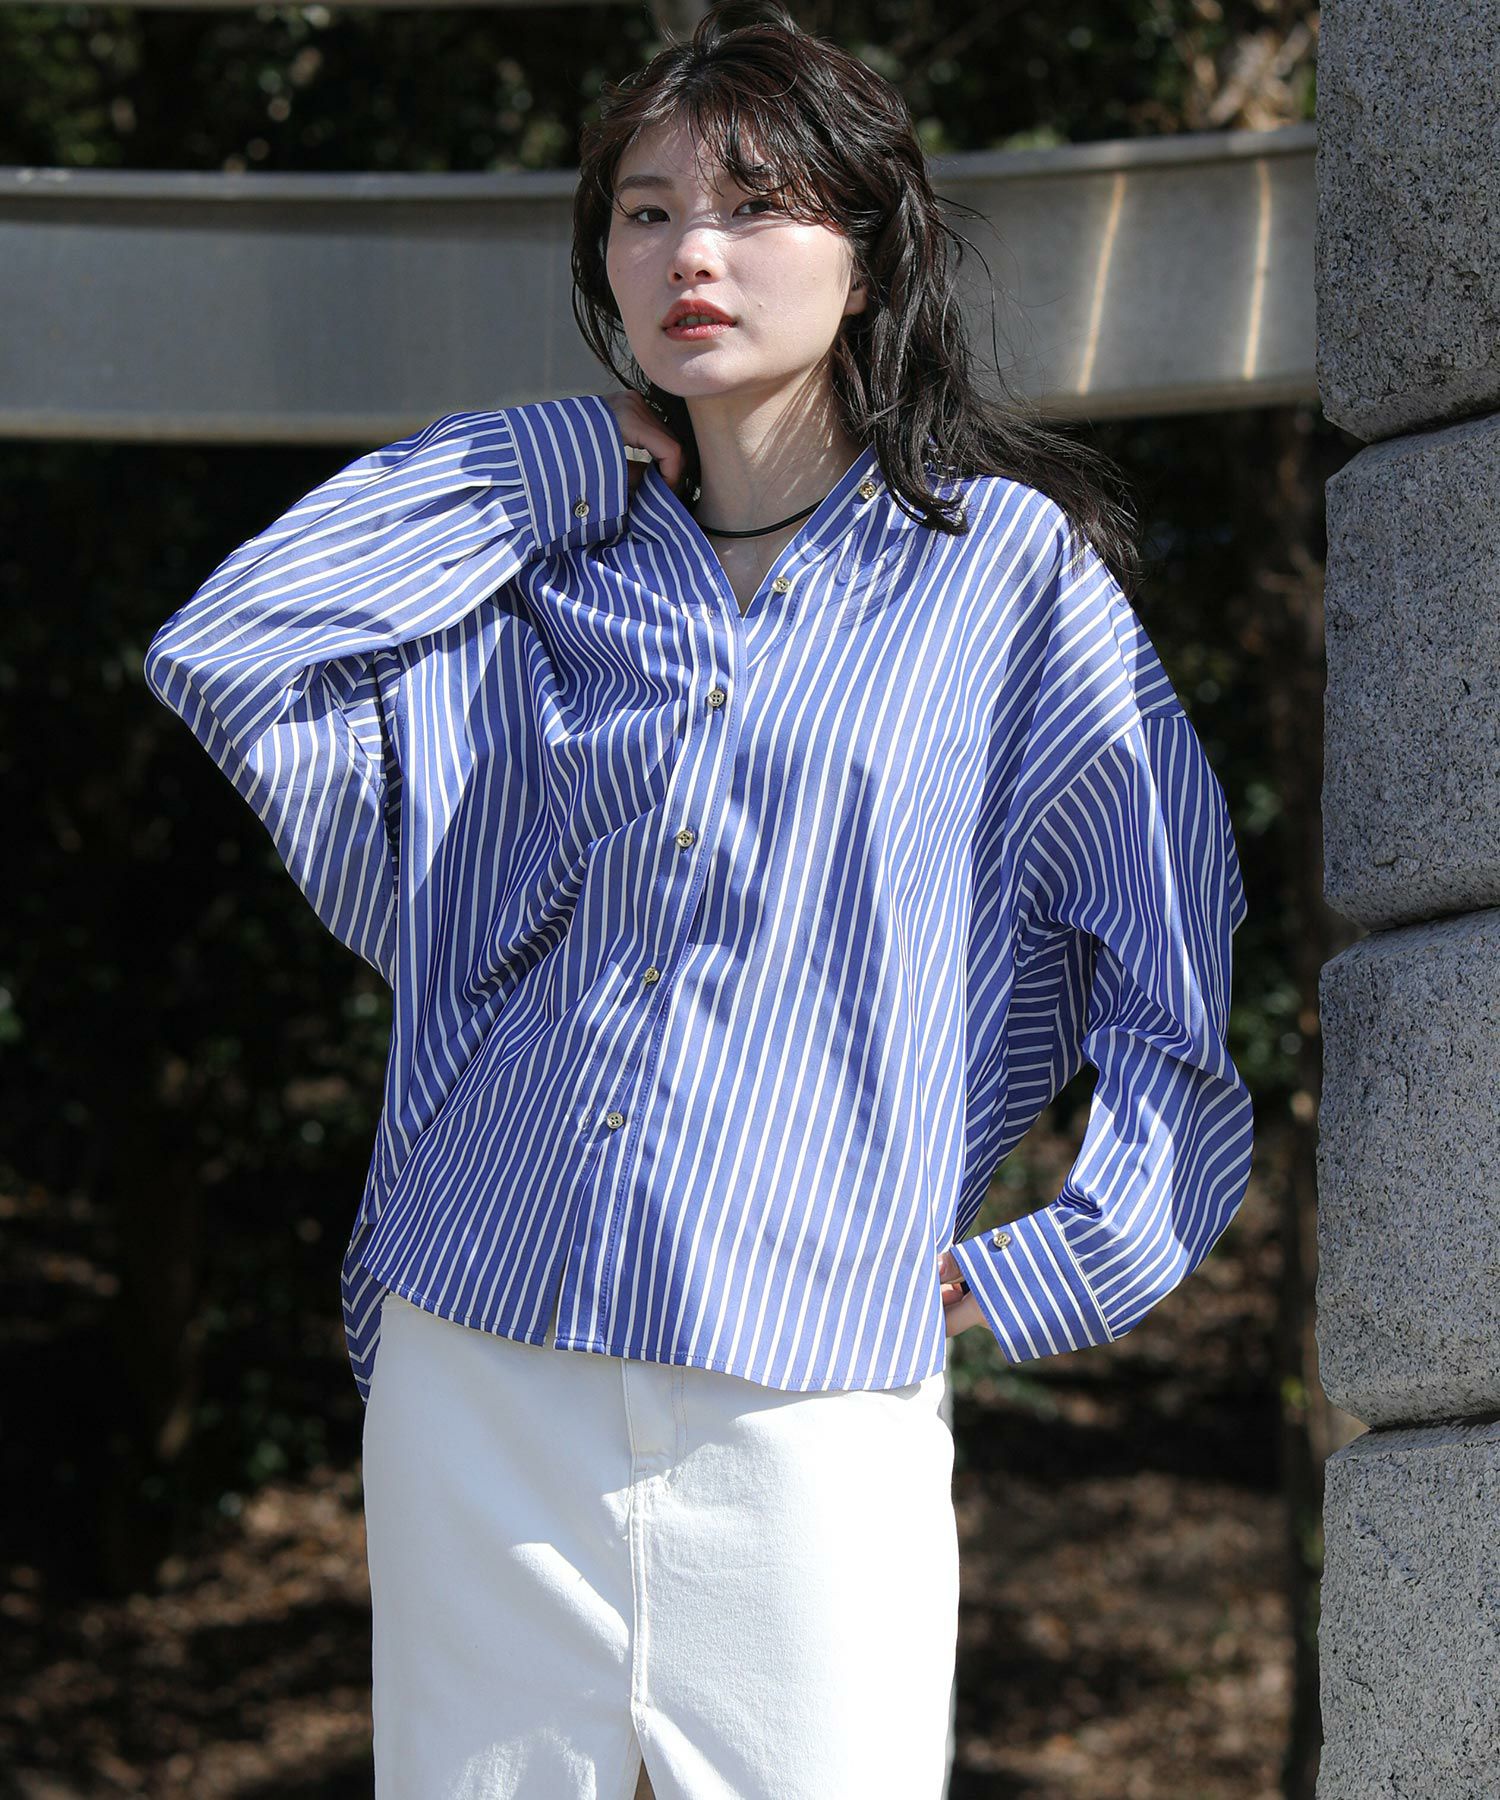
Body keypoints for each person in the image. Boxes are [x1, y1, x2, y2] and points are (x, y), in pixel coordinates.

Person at [141, 4, 1253, 1796]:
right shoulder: (543, 572)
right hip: (478, 1355)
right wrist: (541, 462)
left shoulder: (1007, 578)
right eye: (646, 212)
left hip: (809, 1376)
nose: (693, 254)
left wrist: (1082, 1249)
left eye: (752, 205)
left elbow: (1167, 933)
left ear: (872, 253)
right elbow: (234, 645)